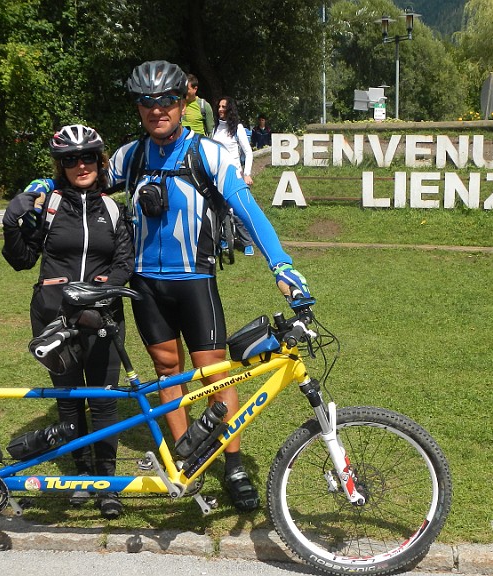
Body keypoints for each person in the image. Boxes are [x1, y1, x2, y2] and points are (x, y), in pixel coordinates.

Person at [112, 60, 310, 511]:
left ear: (183, 103)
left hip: (195, 282)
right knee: (168, 373)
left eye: (166, 100)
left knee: (213, 373)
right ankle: (190, 460)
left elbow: (246, 208)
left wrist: (282, 265)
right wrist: (43, 185)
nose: (156, 109)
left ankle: (234, 462)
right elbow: (82, 178)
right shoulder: (131, 156)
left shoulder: (207, 153)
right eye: (147, 101)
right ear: (138, 106)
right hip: (146, 287)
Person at [2, 124, 133, 520]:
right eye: (70, 159)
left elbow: (124, 260)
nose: (80, 165)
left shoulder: (112, 207)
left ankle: (107, 484)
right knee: (69, 400)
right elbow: (22, 259)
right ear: (61, 165)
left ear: (99, 160)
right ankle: (80, 475)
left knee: (104, 401)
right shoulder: (50, 205)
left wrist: (102, 295)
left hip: (102, 316)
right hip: (52, 315)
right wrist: (13, 224)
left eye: (88, 157)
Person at [212, 96, 254, 186]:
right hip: (217, 176)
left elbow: (248, 152)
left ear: (230, 109)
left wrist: (247, 174)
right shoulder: (215, 129)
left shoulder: (238, 128)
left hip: (234, 176)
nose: (220, 109)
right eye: (219, 106)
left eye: (223, 107)